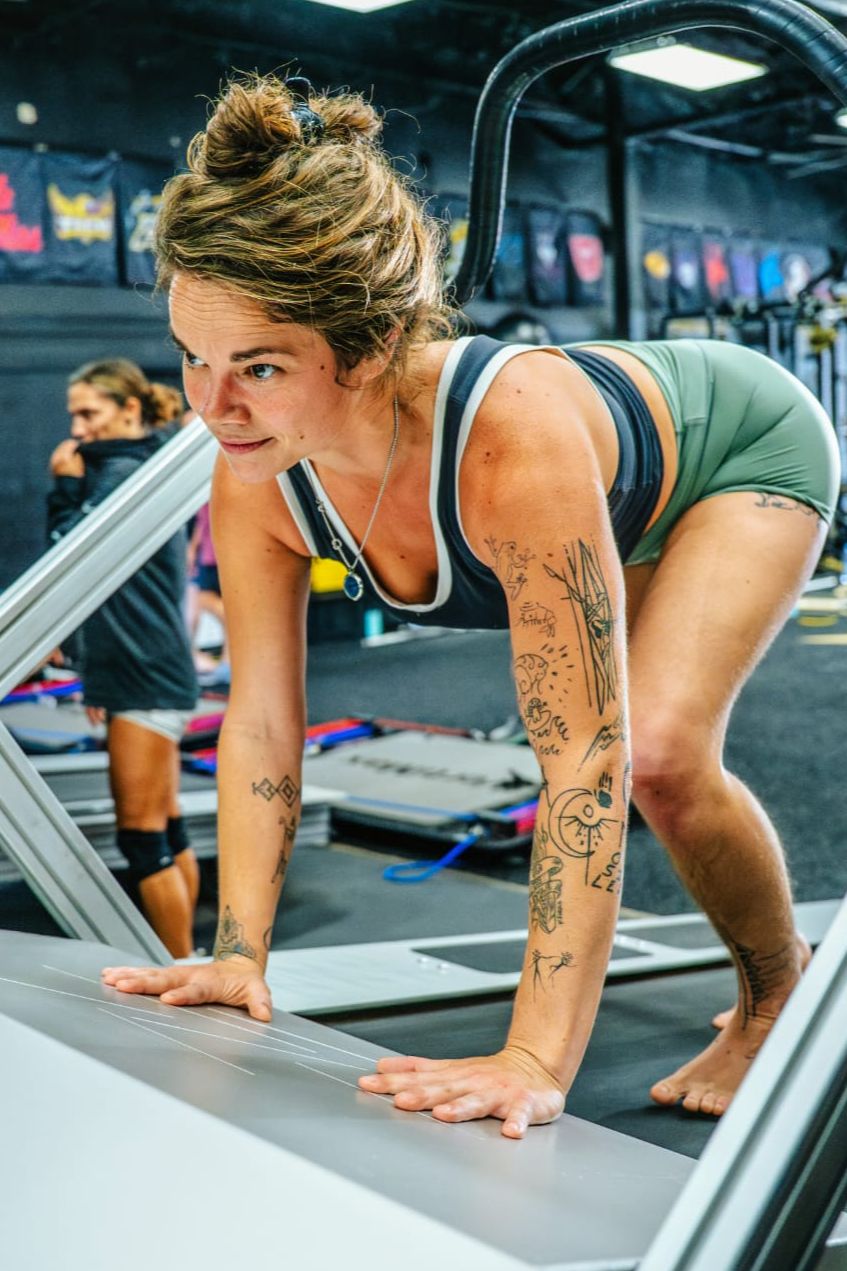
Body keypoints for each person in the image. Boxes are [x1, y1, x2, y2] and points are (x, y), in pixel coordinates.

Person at [102, 74, 839, 1135]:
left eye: (256, 367)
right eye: (192, 357)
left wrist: (533, 1055)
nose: (211, 405)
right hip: (612, 471)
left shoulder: (506, 439)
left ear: (367, 347)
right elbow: (259, 720)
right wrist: (236, 954)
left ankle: (776, 998)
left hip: (735, 447)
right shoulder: (255, 464)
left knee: (659, 753)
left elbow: (582, 756)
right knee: (637, 742)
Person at [48, 359, 200, 957]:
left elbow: (68, 563)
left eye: (89, 413)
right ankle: (190, 960)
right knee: (165, 826)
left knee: (142, 838)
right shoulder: (146, 467)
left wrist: (63, 490)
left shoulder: (119, 476)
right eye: (73, 415)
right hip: (144, 668)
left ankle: (180, 967)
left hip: (142, 674)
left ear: (129, 410)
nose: (77, 429)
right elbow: (109, 594)